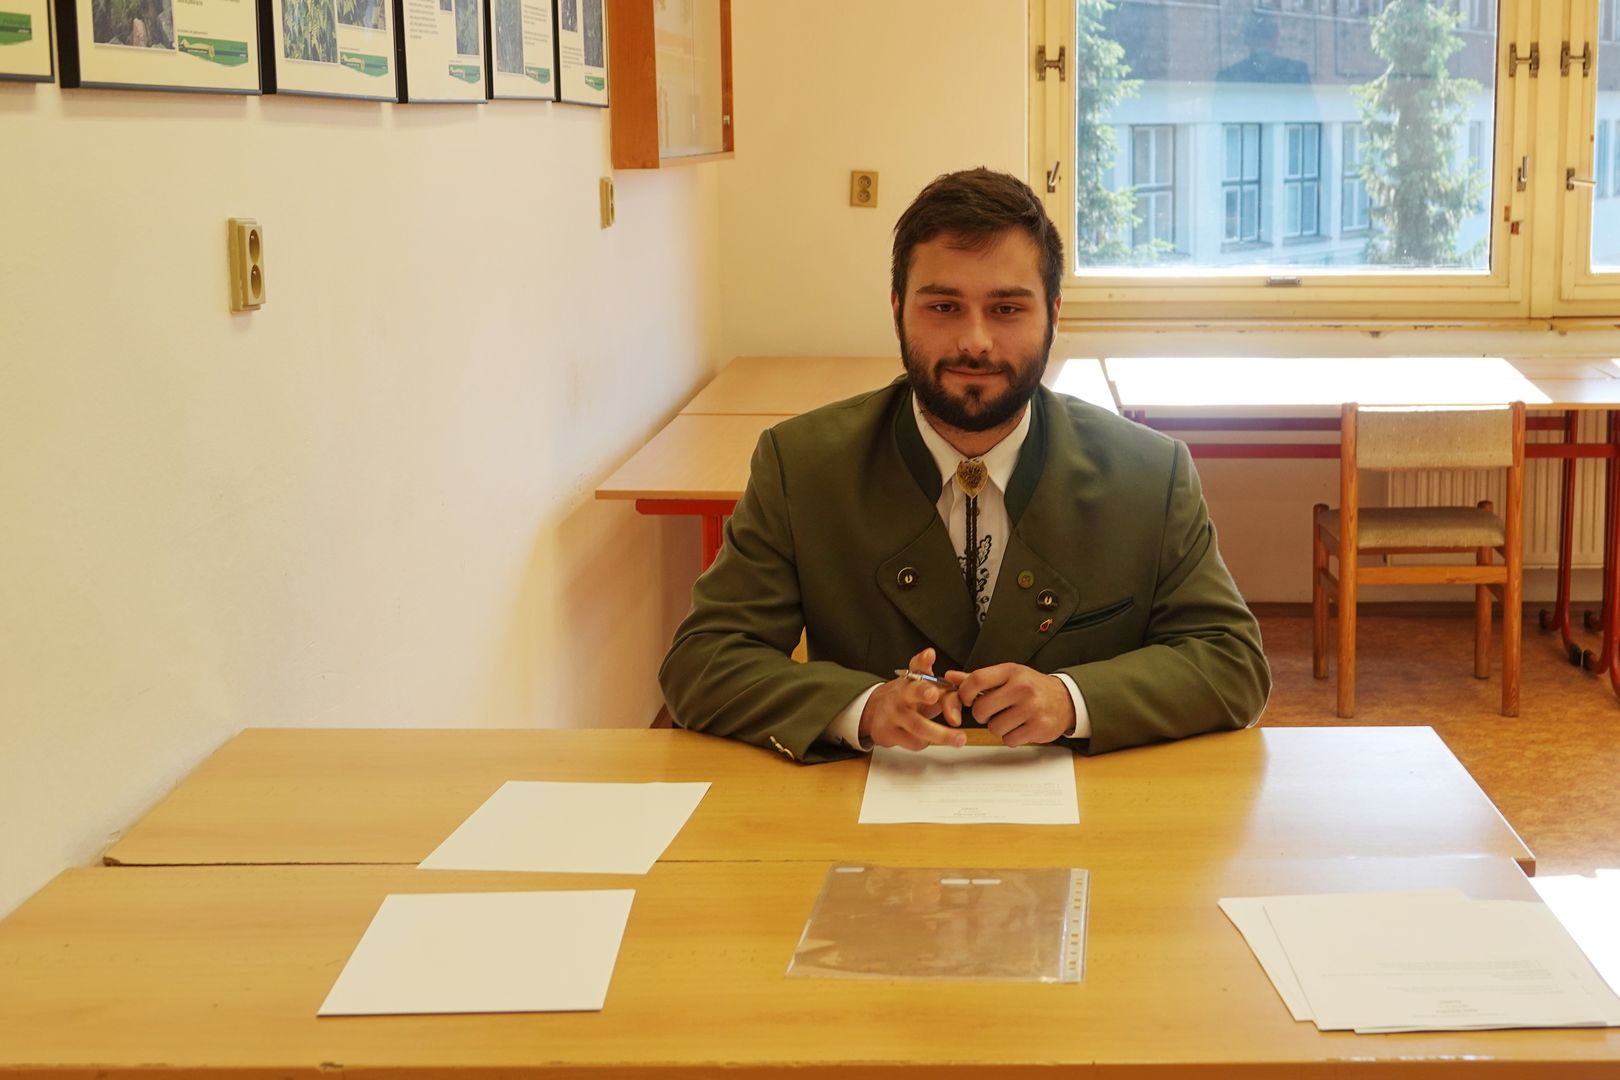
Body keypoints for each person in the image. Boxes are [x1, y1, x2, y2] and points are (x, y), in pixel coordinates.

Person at [658, 168, 1270, 763]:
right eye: (944, 307)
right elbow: (702, 661)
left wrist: (1072, 700)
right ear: (897, 309)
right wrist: (862, 708)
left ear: (1054, 314)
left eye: (1007, 309)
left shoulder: (1150, 473)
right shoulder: (802, 467)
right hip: (861, 811)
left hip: (1093, 813)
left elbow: (1232, 661)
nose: (975, 340)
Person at [1216, 9, 1310, 84]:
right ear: (1276, 39)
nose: (1261, 45)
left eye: (1266, 36)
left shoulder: (1228, 77)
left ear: (1246, 40)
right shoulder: (1297, 74)